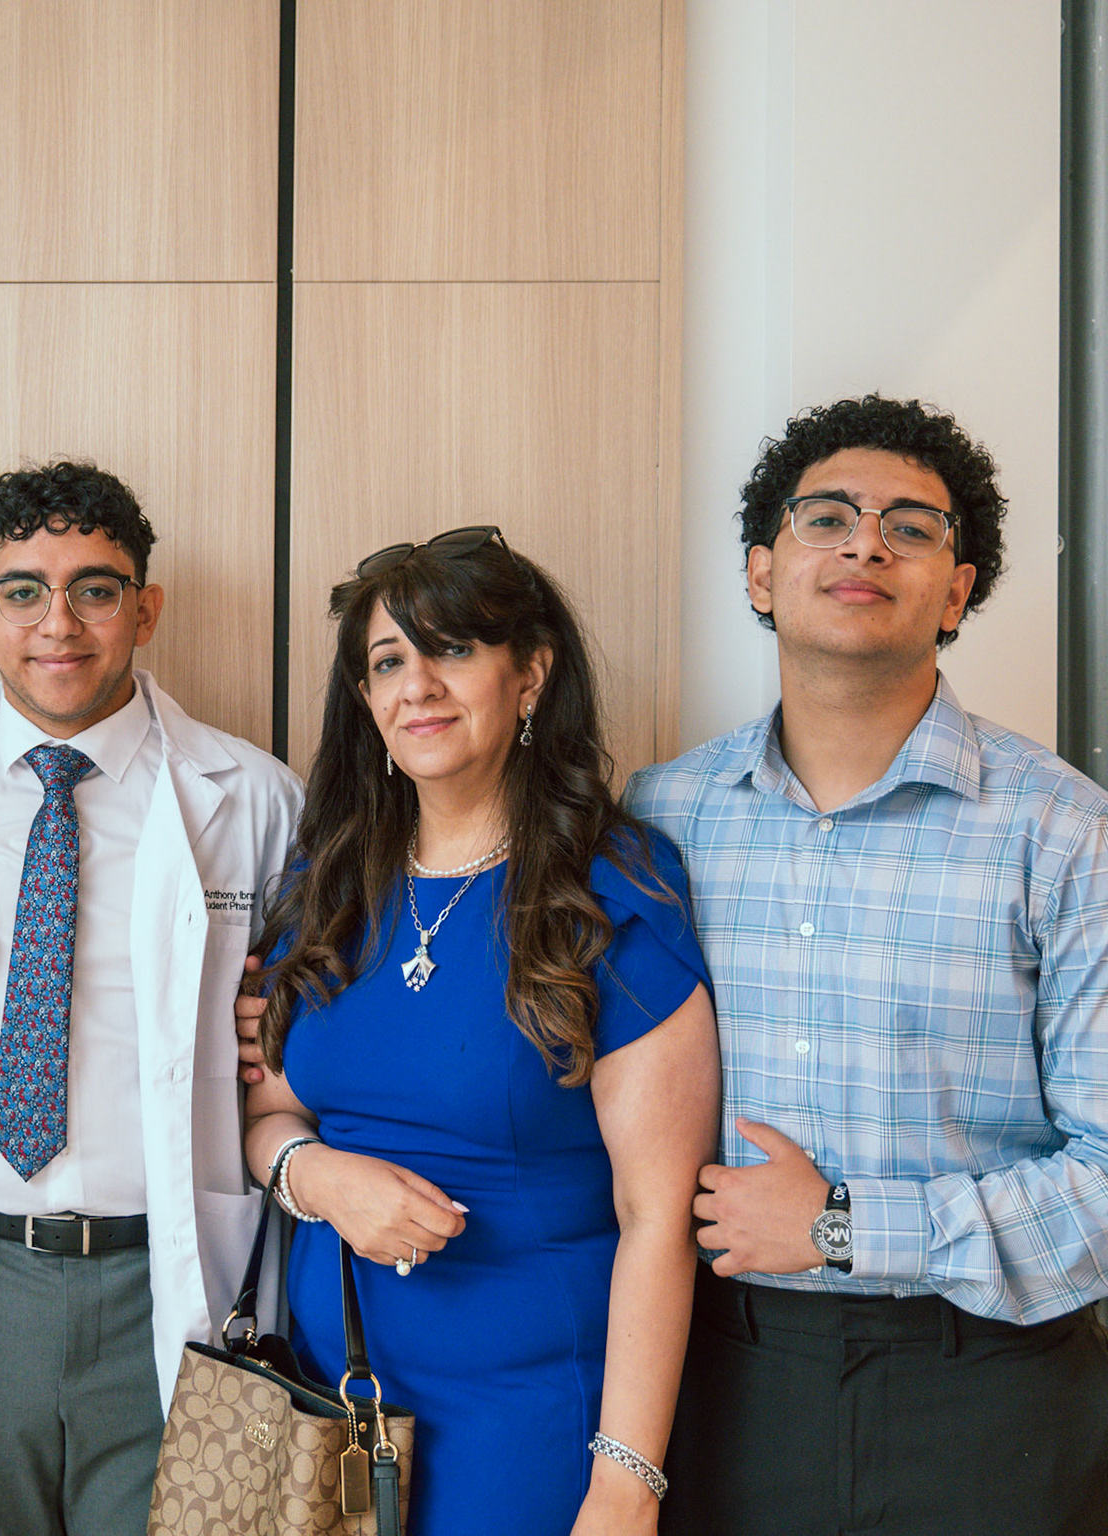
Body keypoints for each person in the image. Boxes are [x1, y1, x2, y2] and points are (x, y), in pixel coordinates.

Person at [624, 395, 1108, 1535]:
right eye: (826, 518)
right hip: (722, 1380)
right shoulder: (659, 819)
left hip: (993, 1391)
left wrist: (846, 1227)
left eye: (911, 528)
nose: (866, 544)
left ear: (956, 593)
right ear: (762, 573)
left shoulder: (1071, 836)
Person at [0, 461, 303, 1534]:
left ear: (145, 610)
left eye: (95, 589)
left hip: (167, 1277)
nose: (58, 622)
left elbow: (315, 1015)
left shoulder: (254, 800)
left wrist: (283, 1030)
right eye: (22, 590)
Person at [237, 528, 720, 1534]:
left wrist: (625, 1485)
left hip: (532, 1430)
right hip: (331, 1417)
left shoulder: (613, 890)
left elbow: (657, 1215)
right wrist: (317, 1178)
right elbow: (269, 1111)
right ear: (365, 701)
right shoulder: (327, 882)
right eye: (387, 662)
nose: (417, 686)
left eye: (452, 649)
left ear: (530, 675)